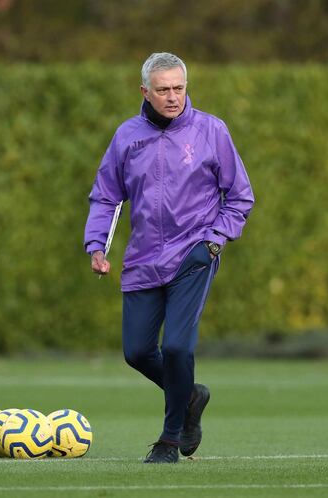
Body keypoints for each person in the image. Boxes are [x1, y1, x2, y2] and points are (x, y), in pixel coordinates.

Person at [84, 52, 254, 463]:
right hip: (143, 258)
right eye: (163, 90)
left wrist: (214, 241)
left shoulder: (212, 131)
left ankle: (170, 439)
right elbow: (107, 196)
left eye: (179, 88)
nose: (173, 96)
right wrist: (96, 247)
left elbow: (239, 196)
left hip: (194, 255)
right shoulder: (127, 136)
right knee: (138, 352)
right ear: (145, 91)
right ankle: (190, 395)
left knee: (178, 347)